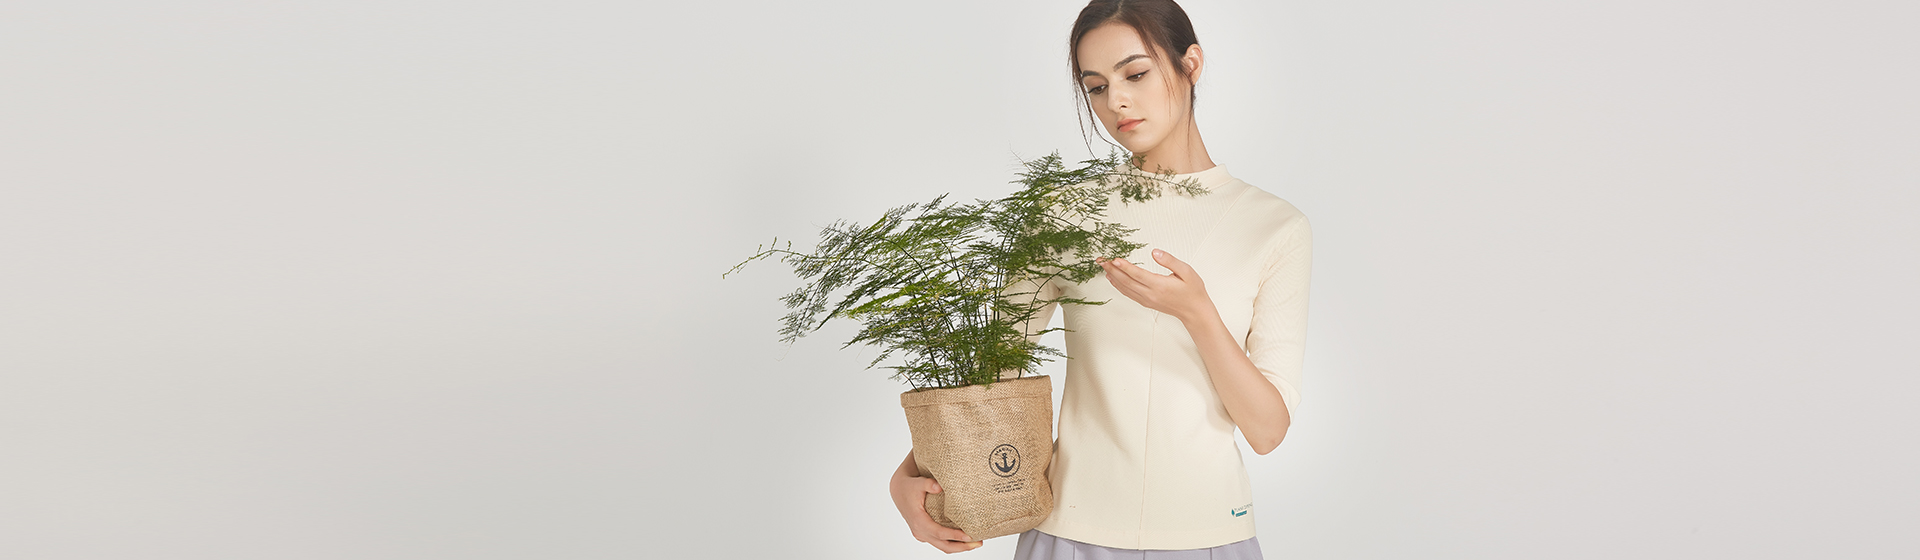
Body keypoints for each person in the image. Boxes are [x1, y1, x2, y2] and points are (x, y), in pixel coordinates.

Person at [889, 1, 1310, 557]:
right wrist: (907, 476)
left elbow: (1268, 431)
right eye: (1096, 87)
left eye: (1135, 74)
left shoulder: (1274, 225)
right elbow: (991, 378)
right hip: (1068, 532)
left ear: (1191, 64)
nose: (1116, 102)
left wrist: (1197, 313)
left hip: (1211, 533)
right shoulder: (1062, 215)